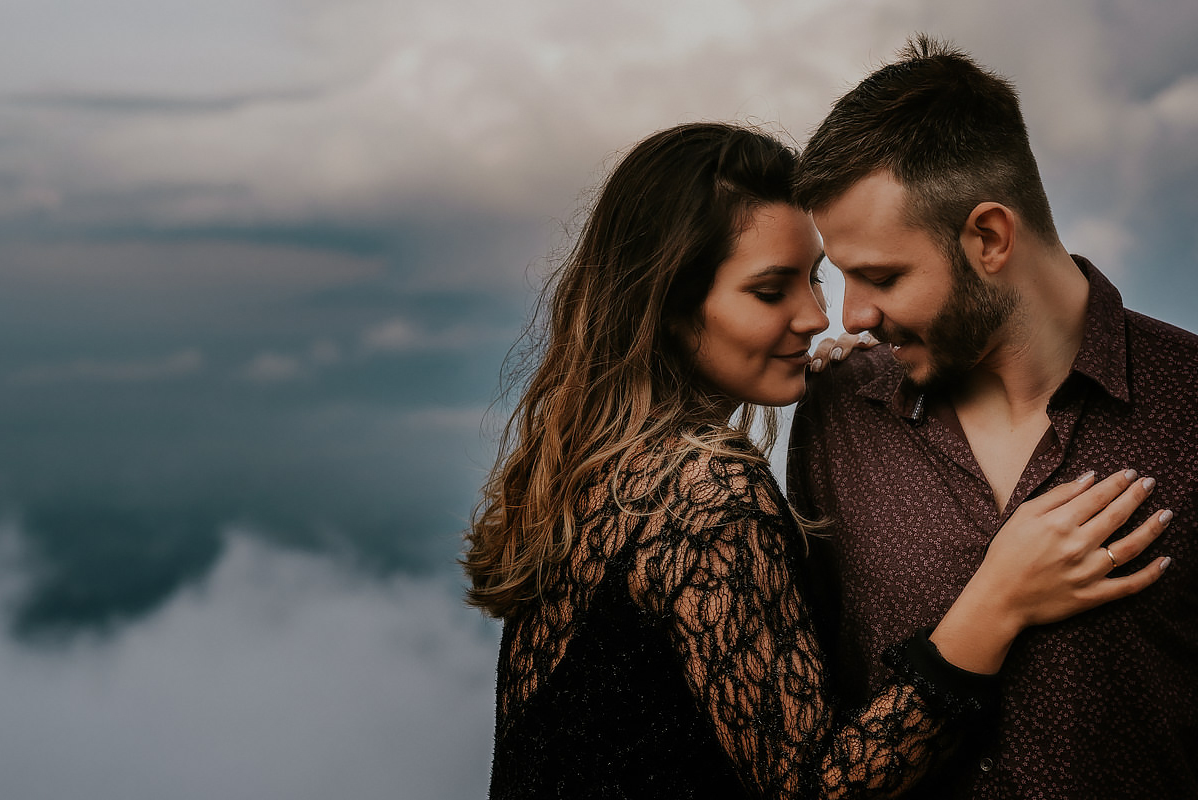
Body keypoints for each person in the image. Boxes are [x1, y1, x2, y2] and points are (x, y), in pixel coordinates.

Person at [464, 121, 1169, 799]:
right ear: (670, 308)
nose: (814, 317)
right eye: (771, 291)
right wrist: (998, 602)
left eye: (815, 278)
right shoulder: (706, 491)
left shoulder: (597, 474)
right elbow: (813, 788)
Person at [787, 36, 1197, 799]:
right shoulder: (838, 416)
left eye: (881, 275)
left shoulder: (1190, 406)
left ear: (989, 236)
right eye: (842, 275)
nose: (852, 315)